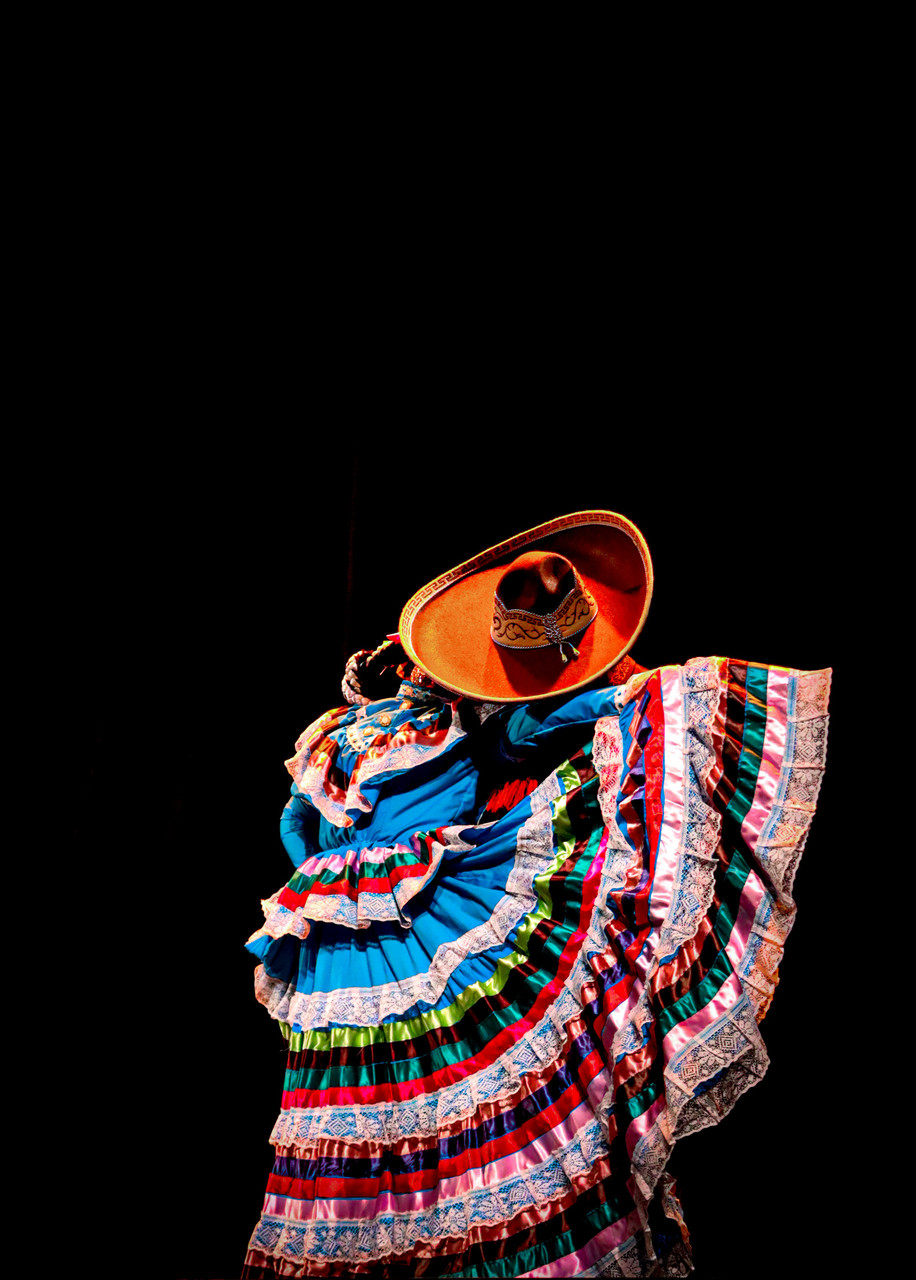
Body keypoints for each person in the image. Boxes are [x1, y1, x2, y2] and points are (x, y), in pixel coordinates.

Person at [241, 511, 831, 1279]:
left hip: (433, 895)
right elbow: (296, 819)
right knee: (365, 1094)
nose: (403, 676)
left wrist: (623, 700)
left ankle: (455, 1243)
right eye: (394, 670)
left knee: (444, 1080)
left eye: (411, 669)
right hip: (362, 916)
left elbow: (528, 732)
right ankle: (379, 1248)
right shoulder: (338, 734)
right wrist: (326, 884)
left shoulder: (460, 722)